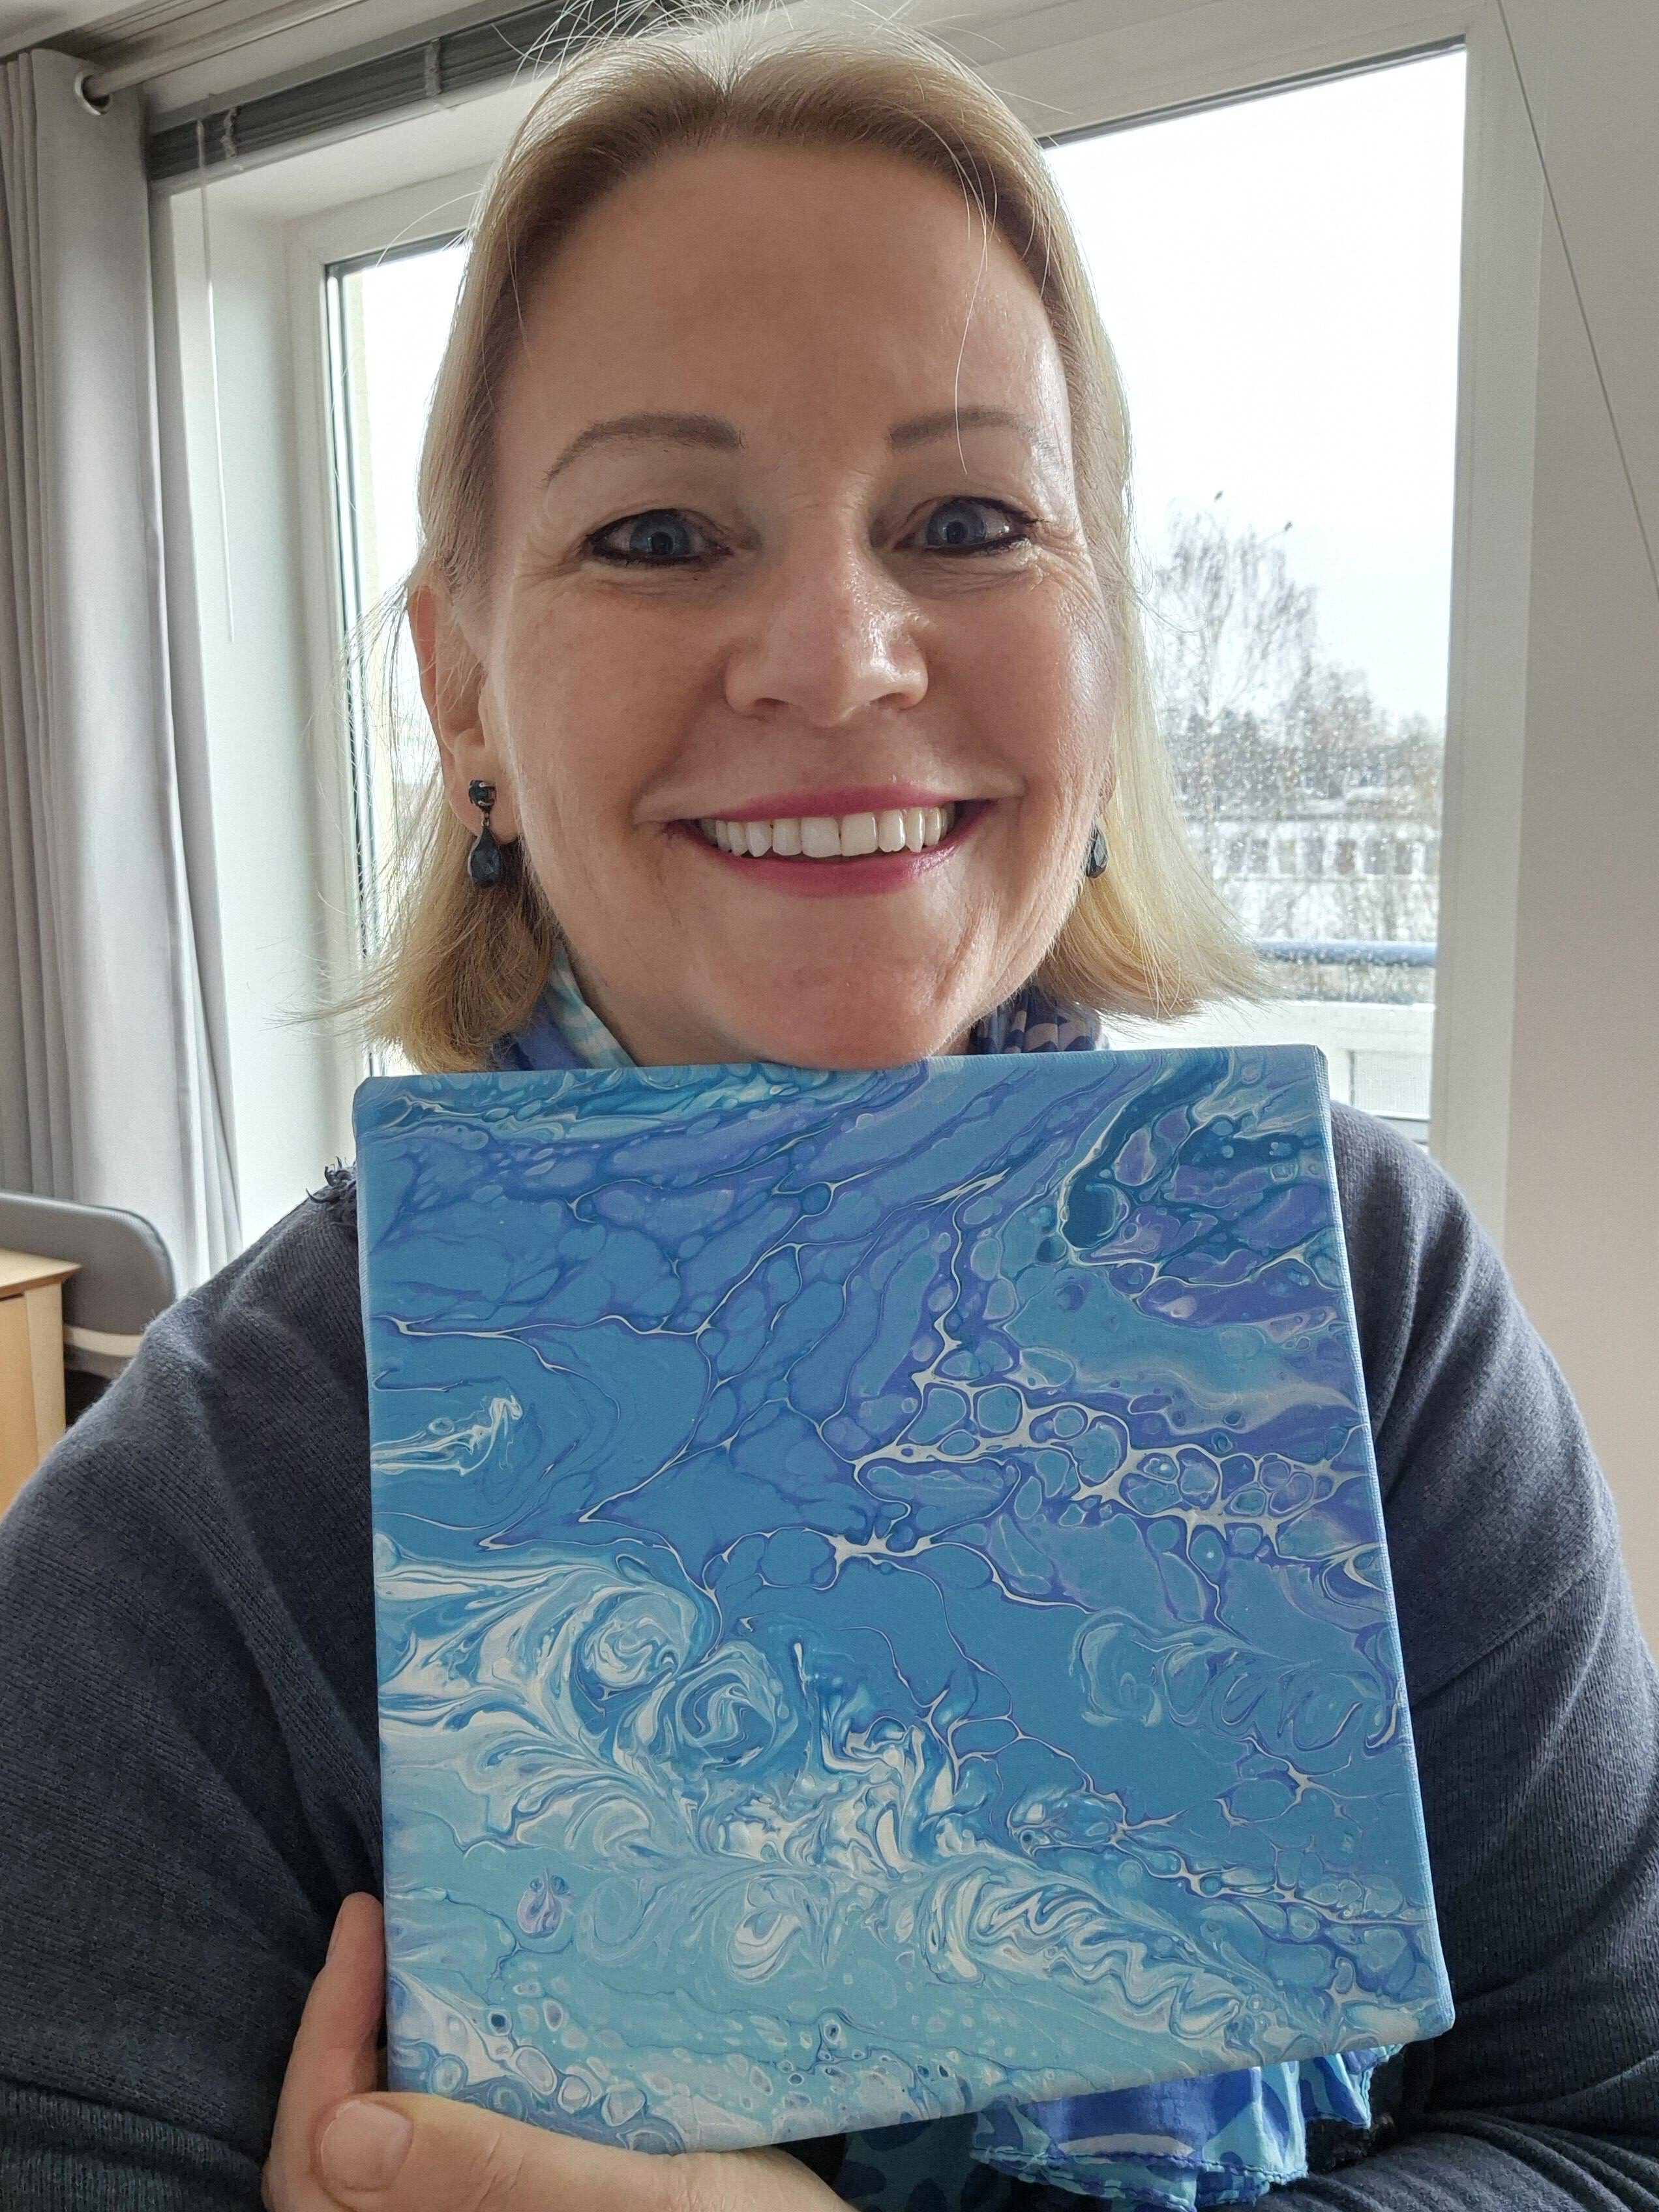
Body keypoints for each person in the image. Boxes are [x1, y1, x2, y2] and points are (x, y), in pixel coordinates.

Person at [3, 15, 1658, 2211]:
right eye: (661, 531)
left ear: (1104, 649)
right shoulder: (199, 1516)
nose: (839, 650)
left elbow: (1612, 2131)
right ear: (461, 687)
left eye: (969, 521)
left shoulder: (1371, 1305)